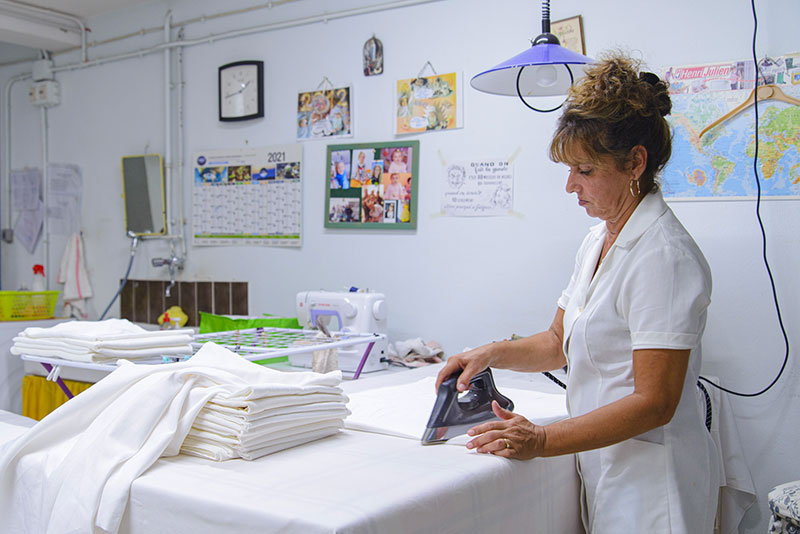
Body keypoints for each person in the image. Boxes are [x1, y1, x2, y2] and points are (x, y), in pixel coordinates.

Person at [436, 52, 719, 533]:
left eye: (584, 171)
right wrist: (487, 354)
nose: (570, 187)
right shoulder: (599, 240)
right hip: (606, 466)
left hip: (654, 486)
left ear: (635, 163)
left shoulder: (664, 257)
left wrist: (542, 439)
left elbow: (655, 401)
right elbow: (555, 342)